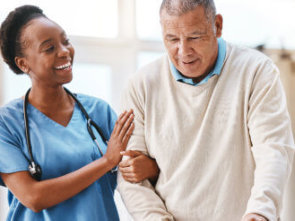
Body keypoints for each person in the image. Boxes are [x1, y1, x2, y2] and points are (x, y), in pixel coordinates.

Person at [117, 0, 295, 220]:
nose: (183, 51)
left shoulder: (257, 72)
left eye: (194, 37)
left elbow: (273, 150)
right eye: (172, 39)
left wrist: (261, 211)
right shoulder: (141, 84)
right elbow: (132, 178)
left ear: (217, 26)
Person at [0, 5, 159, 221]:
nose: (64, 51)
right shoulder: (7, 123)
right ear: (23, 64)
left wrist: (149, 167)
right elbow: (33, 197)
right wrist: (106, 161)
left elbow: (136, 168)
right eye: (49, 48)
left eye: (65, 41)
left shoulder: (98, 111)